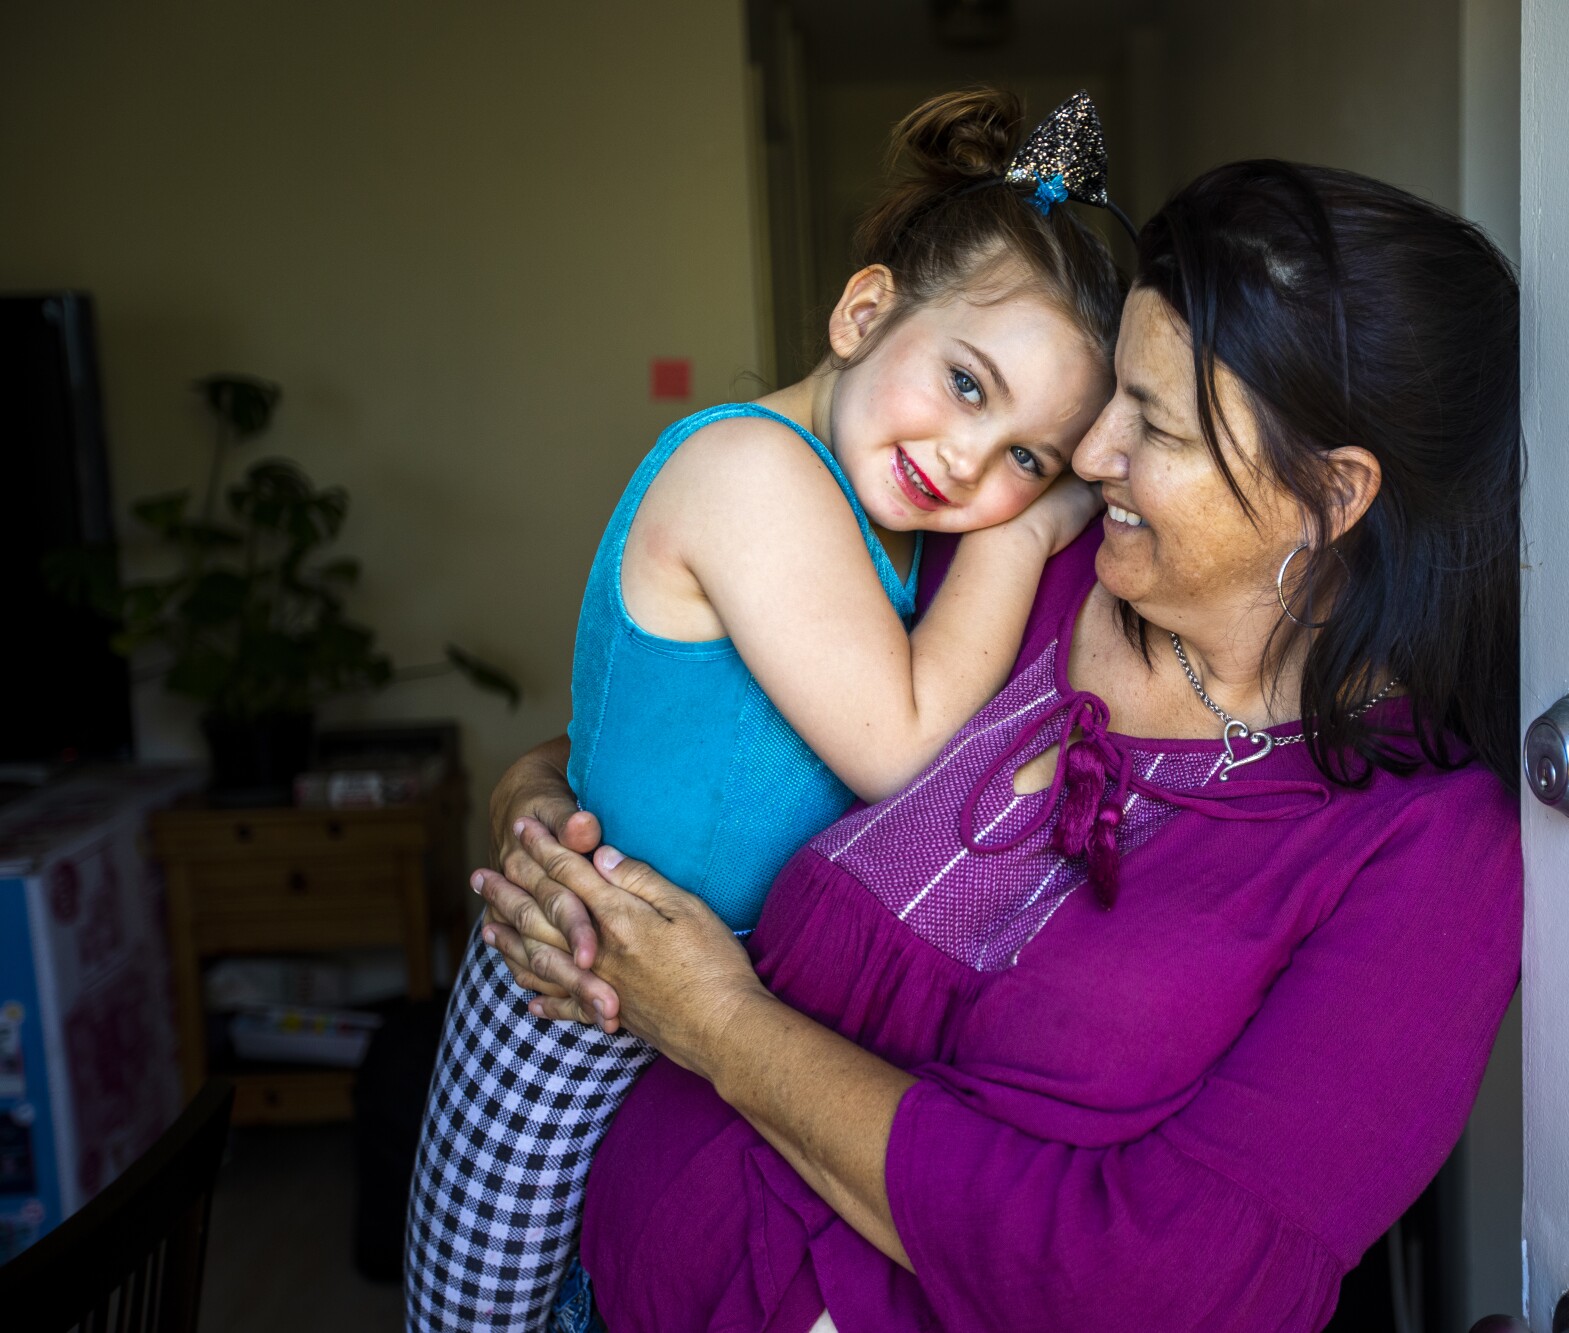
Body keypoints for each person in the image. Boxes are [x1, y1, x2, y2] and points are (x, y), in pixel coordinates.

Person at [465, 159, 1522, 1332]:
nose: (1087, 455)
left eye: (1152, 424)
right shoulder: (1037, 570)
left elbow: (1163, 1281)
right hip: (609, 1279)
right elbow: (708, 713)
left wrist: (717, 1025)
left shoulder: (1423, 848)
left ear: (1326, 496)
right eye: (1111, 394)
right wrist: (536, 807)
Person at [405, 88, 1129, 1332]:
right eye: (965, 383)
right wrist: (1036, 534)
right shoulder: (751, 471)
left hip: (683, 998)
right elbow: (901, 741)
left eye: (1028, 457)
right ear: (863, 312)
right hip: (560, 1005)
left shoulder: (880, 508)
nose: (971, 463)